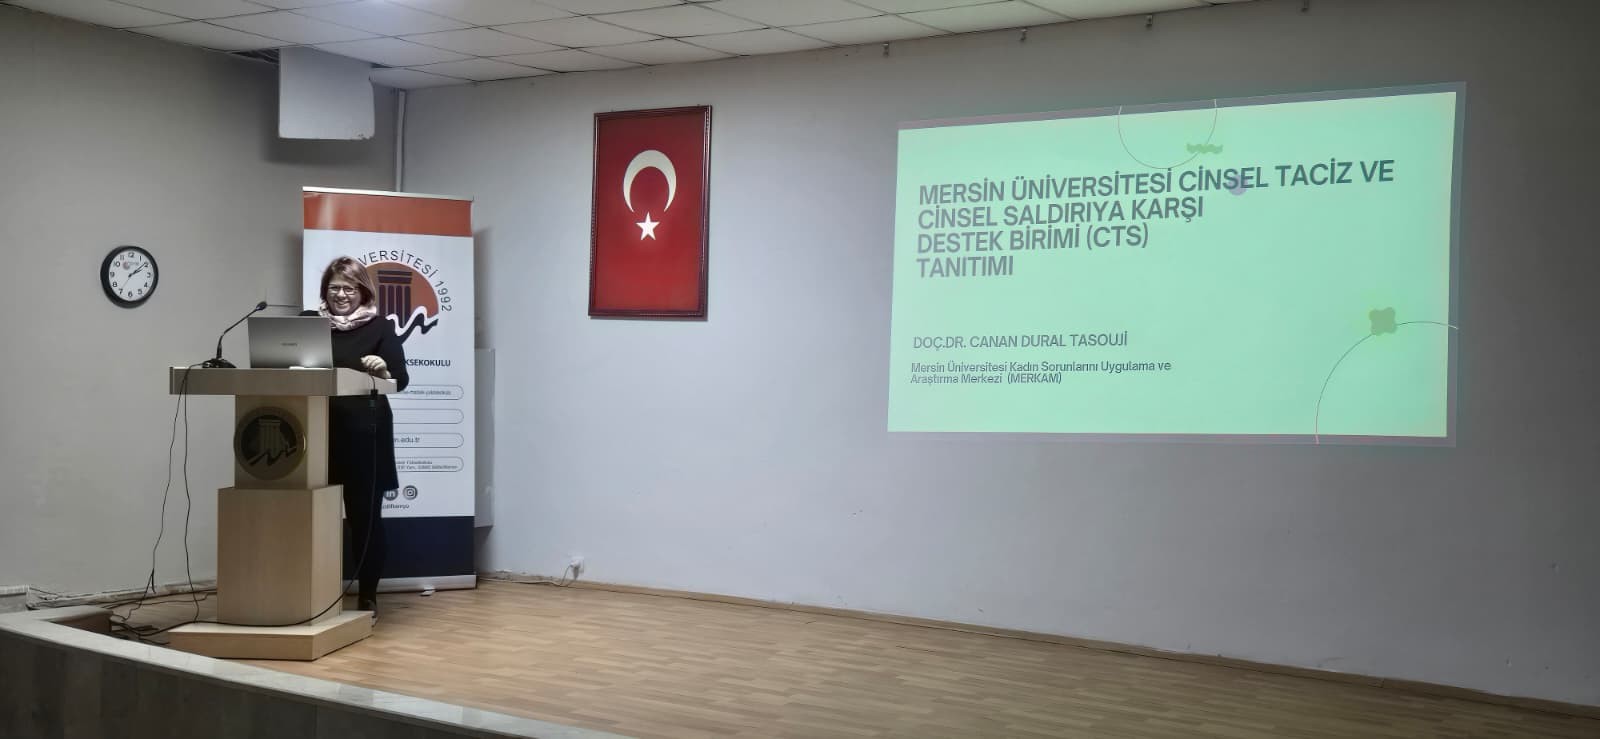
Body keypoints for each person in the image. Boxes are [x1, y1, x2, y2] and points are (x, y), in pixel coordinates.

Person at [306, 256, 408, 619]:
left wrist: (383, 370)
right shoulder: (309, 324)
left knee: (365, 520)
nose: (341, 295)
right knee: (311, 516)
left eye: (349, 288)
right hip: (313, 435)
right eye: (334, 288)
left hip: (365, 437)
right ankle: (312, 593)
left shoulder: (380, 328)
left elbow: (400, 379)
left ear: (362, 291)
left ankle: (367, 596)